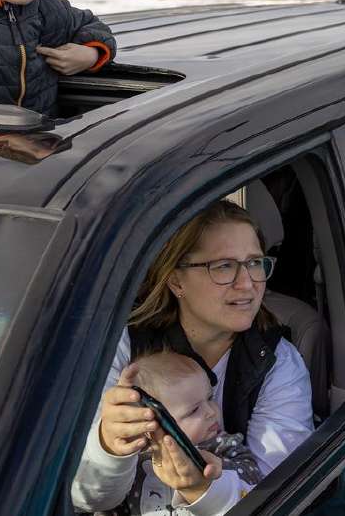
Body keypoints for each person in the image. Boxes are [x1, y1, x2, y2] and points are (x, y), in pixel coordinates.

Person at [72, 200, 313, 514]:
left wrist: (203, 489)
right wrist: (109, 446)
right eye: (223, 266)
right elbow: (86, 498)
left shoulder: (279, 363)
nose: (247, 284)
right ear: (176, 280)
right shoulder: (123, 347)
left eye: (254, 263)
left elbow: (277, 497)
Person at [76, 350, 265, 515]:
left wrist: (209, 481)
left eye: (210, 398)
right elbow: (102, 504)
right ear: (150, 425)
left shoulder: (224, 446)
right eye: (193, 410)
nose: (211, 412)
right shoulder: (132, 466)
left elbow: (255, 482)